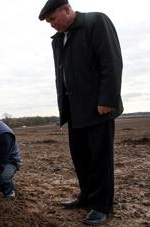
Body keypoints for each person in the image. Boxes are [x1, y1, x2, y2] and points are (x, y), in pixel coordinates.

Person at [39, 0, 123, 225]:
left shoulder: (96, 22)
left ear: (66, 9)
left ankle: (102, 205)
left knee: (100, 159)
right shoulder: (59, 39)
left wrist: (107, 99)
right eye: (48, 22)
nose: (51, 25)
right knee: (81, 158)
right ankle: (86, 196)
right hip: (74, 110)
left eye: (53, 19)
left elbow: (111, 62)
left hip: (98, 108)